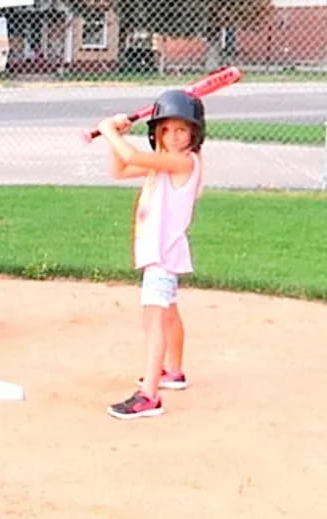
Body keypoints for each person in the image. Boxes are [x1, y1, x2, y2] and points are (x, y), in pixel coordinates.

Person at [97, 89, 205, 420]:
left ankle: (149, 396)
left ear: (194, 134)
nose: (173, 137)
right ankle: (173, 370)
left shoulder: (182, 161)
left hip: (161, 254)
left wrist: (109, 130)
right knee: (169, 313)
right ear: (156, 131)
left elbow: (130, 157)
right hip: (163, 252)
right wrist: (115, 137)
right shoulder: (163, 164)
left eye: (182, 130)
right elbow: (119, 169)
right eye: (166, 129)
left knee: (154, 319)